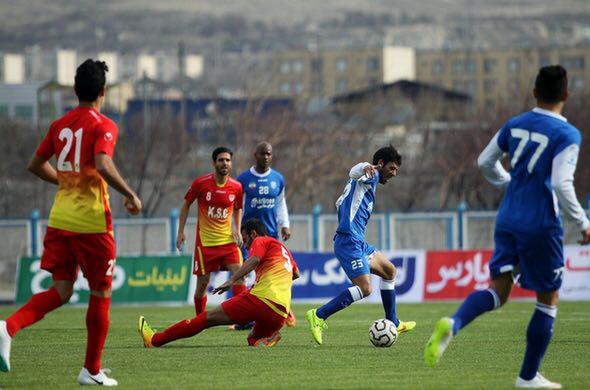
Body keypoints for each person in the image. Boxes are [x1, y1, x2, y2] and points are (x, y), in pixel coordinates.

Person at [424, 65, 590, 389]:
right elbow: (561, 182)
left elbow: (485, 161)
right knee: (548, 300)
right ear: (566, 96)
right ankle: (528, 377)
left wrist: (509, 182)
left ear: (534, 92)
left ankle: (454, 323)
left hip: (508, 216)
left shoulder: (516, 124)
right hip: (541, 224)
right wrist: (582, 221)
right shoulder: (567, 134)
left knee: (499, 291)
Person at [0, 59, 142, 386]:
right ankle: (91, 370)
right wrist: (130, 193)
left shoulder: (60, 125)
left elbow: (35, 164)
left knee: (62, 291)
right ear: (103, 92)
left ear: (76, 90)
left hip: (60, 219)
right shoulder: (104, 124)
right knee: (101, 293)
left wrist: (67, 181)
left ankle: (8, 327)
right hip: (91, 223)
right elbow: (103, 163)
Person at [306, 145, 416, 345]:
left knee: (390, 272)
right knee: (365, 289)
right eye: (392, 168)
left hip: (358, 242)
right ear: (380, 164)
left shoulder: (365, 185)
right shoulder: (370, 175)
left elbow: (342, 199)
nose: (394, 174)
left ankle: (393, 321)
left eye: (397, 171)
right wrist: (366, 166)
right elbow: (354, 171)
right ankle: (319, 315)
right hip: (349, 241)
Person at [138, 219, 299, 347]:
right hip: (280, 314)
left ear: (253, 234)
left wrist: (232, 279)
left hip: (261, 299)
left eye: (245, 240)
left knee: (205, 319)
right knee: (252, 339)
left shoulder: (261, 241)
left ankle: (154, 340)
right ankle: (266, 338)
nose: (246, 245)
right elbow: (295, 274)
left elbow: (255, 259)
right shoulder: (283, 249)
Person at [176, 147, 246, 316]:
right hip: (205, 245)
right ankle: (199, 319)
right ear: (214, 163)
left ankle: (242, 319)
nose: (225, 163)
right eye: (221, 160)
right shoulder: (201, 184)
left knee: (240, 276)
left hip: (228, 241)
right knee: (202, 284)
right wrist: (180, 232)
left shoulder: (236, 187)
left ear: (231, 163)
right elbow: (186, 204)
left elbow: (238, 208)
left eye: (228, 160)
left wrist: (237, 228)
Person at [235, 141, 296, 328]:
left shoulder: (278, 179)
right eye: (263, 153)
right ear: (255, 155)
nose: (266, 157)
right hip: (250, 237)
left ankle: (285, 312)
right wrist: (237, 231)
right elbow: (238, 206)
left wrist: (285, 225)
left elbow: (280, 203)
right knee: (248, 274)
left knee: (272, 276)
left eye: (269, 154)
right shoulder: (244, 179)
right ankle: (243, 318)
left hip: (270, 235)